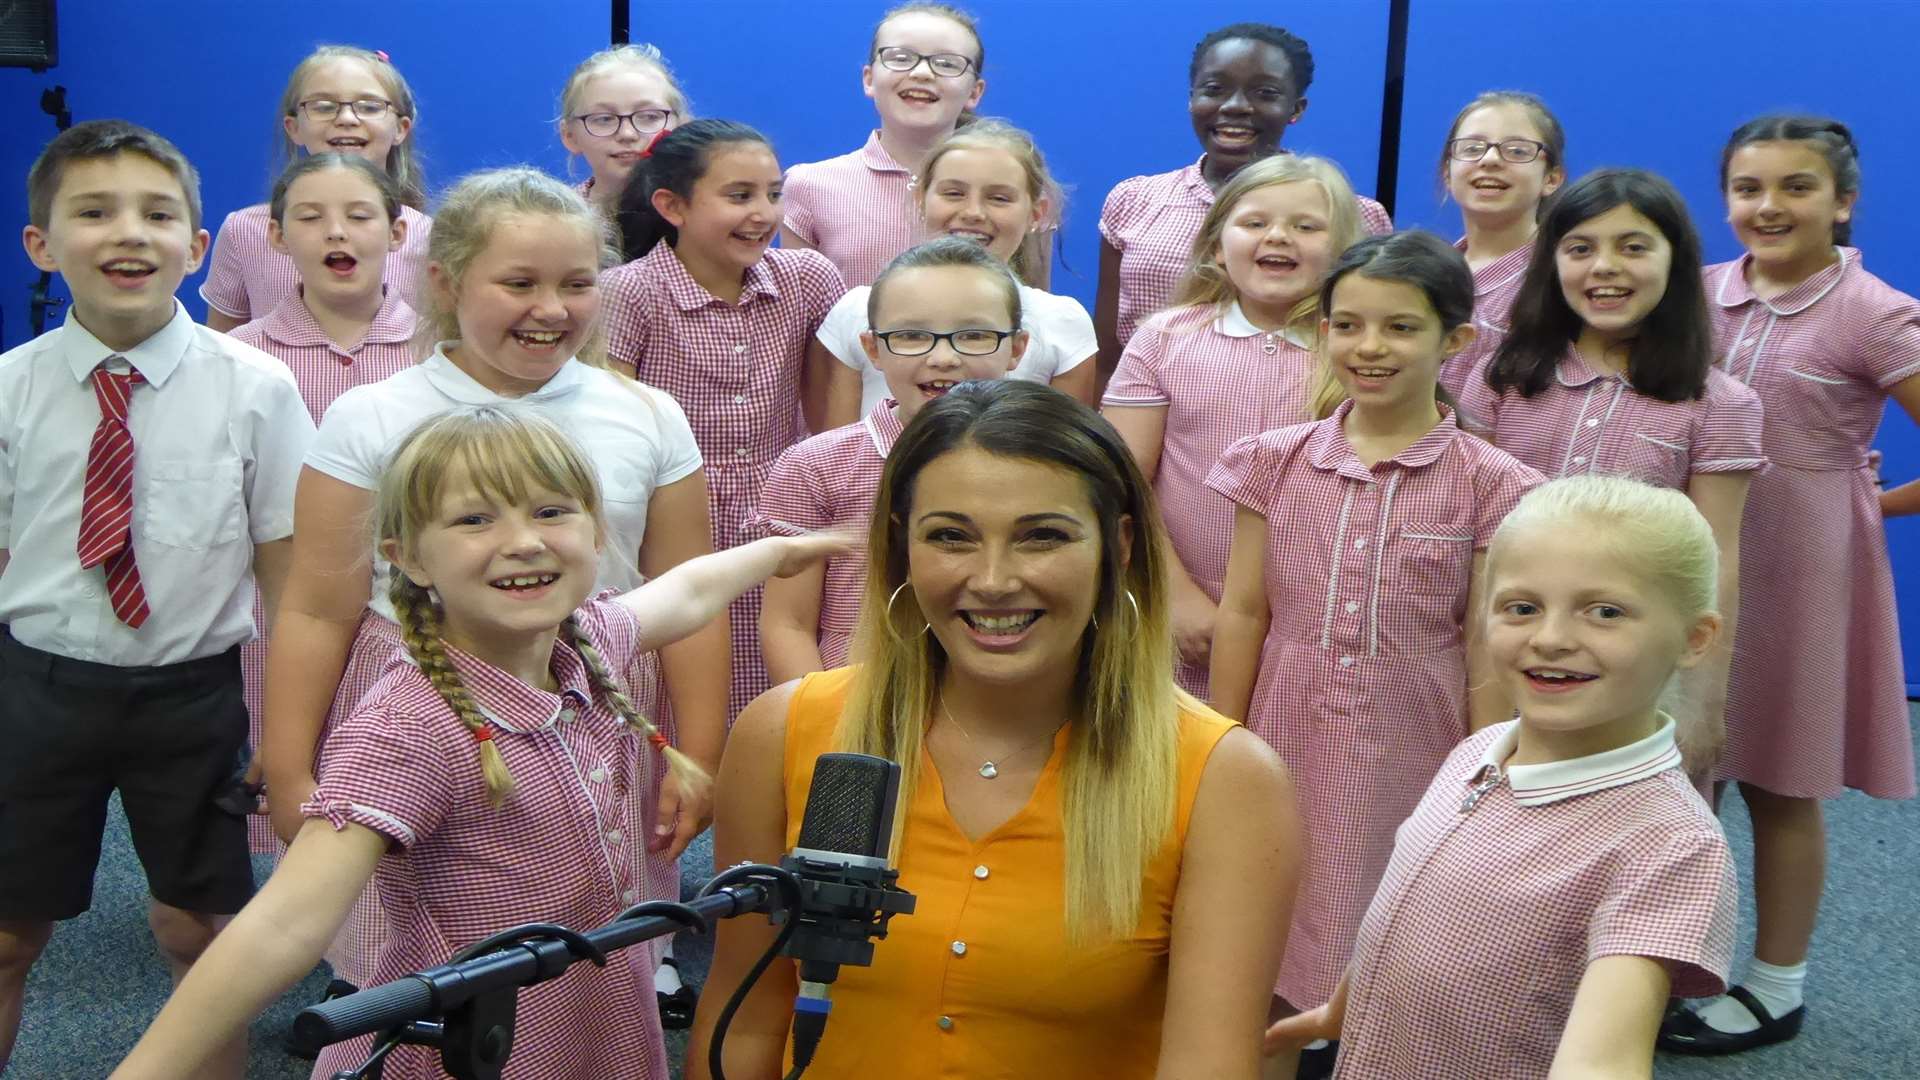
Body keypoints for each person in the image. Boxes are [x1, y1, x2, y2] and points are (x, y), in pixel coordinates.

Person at [109, 405, 849, 1080]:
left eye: (551, 511)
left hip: (590, 1022)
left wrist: (782, 552)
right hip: (463, 1047)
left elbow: (685, 592)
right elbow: (284, 922)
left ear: (596, 534)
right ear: (409, 558)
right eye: (474, 521)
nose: (523, 542)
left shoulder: (584, 642)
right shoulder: (411, 728)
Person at [692, 380, 1299, 1079]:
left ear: (1119, 544)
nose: (993, 580)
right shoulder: (785, 731)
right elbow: (743, 1025)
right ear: (900, 547)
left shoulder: (1225, 780)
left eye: (1042, 536)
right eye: (951, 537)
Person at [260, 167, 723, 989]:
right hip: (422, 706)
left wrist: (701, 754)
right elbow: (318, 608)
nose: (551, 309)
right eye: (519, 283)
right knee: (423, 959)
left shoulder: (647, 414)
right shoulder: (371, 417)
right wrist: (291, 765)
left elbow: (689, 594)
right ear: (445, 282)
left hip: (593, 706)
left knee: (580, 950)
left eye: (577, 284)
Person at [0, 120, 315, 1077]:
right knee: (9, 936)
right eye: (93, 213)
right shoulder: (9, 391)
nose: (128, 234)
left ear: (197, 245)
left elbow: (291, 573)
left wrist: (288, 727)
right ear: (43, 246)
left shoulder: (256, 388)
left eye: (157, 214)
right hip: (35, 691)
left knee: (199, 931)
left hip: (194, 696)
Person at [1268, 475, 1740, 1080]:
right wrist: (1347, 1003)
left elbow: (1605, 1055)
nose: (1551, 639)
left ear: (1694, 639)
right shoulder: (1477, 753)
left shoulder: (1672, 847)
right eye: (1522, 607)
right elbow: (1418, 909)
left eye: (1605, 612)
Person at [1207, 231, 1541, 1078]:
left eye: (1399, 327)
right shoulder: (1270, 462)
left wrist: (1491, 771)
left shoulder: (1493, 481)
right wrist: (1216, 735)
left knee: (1394, 928)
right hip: (1283, 729)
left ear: (1454, 341)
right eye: (1348, 325)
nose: (1369, 347)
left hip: (1414, 741)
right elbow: (1244, 611)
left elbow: (1482, 646)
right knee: (1267, 929)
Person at [1659, 115, 1920, 1055]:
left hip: (1802, 570)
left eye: (1796, 188)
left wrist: (1874, 502)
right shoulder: (1694, 293)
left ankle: (1776, 985)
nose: (1768, 207)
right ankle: (1662, 966)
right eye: (1748, 188)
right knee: (1679, 776)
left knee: (1777, 779)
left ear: (1843, 201)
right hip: (1691, 560)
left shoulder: (1874, 311)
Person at [1455, 167, 1765, 775]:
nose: (1604, 267)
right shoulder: (1504, 381)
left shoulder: (1719, 404)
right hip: (1506, 644)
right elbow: (1471, 527)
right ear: (1552, 264)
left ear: (1675, 263)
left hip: (1628, 665)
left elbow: (1716, 561)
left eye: (1633, 247)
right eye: (1580, 248)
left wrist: (1706, 704)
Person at [606, 119, 857, 722]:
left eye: (773, 193)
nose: (763, 213)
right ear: (672, 205)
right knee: (683, 687)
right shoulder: (628, 293)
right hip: (670, 523)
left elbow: (829, 408)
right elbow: (609, 425)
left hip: (777, 514)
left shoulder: (808, 279)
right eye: (739, 195)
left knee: (774, 690)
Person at [1103, 153, 1362, 697]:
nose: (1279, 237)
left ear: (1343, 252)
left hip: (1309, 630)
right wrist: (1174, 596)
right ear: (1218, 248)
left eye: (1306, 226)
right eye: (1255, 223)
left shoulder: (1355, 353)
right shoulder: (1165, 339)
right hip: (1176, 618)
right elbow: (1119, 481)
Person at [228, 152, 418, 854]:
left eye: (359, 215)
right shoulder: (241, 358)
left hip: (403, 601)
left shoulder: (442, 354)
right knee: (288, 758)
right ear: (277, 237)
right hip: (279, 601)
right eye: (310, 218)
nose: (336, 233)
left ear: (397, 234)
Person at [757, 237, 1027, 683]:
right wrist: (825, 730)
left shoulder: (1049, 465)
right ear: (873, 348)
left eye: (975, 335)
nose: (943, 357)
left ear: (1016, 348)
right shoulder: (817, 467)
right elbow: (789, 625)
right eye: (912, 335)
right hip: (854, 715)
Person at [1096, 22, 1393, 384]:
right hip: (1147, 405)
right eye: (1214, 89)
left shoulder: (1356, 215)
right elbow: (1108, 350)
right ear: (1192, 98)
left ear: (1295, 107)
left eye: (1265, 93)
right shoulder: (1135, 200)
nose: (1235, 106)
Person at [814, 119, 1096, 411]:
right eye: (953, 193)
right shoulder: (855, 311)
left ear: (1036, 213)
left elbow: (1065, 450)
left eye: (999, 198)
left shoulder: (1063, 323)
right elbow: (836, 446)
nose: (973, 212)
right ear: (921, 199)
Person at [201, 45, 430, 331]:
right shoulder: (245, 230)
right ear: (293, 127)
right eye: (323, 107)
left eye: (369, 107)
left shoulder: (427, 236)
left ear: (401, 128)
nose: (346, 119)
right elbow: (220, 349)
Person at [781, 2, 987, 287]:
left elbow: (1035, 311)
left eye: (947, 64)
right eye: (901, 58)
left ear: (974, 92)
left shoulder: (1009, 187)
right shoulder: (809, 185)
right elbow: (799, 314)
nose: (922, 73)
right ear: (869, 79)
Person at [1433, 91, 1567, 397]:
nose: (1490, 159)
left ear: (1552, 178)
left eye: (1517, 151)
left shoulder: (1562, 280)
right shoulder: (1422, 273)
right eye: (1472, 148)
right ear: (1448, 172)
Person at [556, 43, 690, 212]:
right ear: (570, 136)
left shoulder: (703, 219)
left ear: (680, 127)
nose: (627, 134)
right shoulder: (550, 220)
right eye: (604, 119)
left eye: (650, 116)